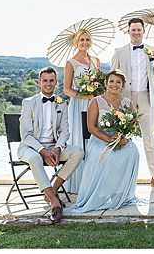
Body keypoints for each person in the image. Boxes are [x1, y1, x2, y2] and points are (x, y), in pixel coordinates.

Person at [18, 67, 83, 223]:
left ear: (56, 83)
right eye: (45, 80)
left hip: (53, 146)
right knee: (35, 159)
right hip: (30, 147)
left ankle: (51, 191)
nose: (48, 84)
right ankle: (55, 202)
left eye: (51, 81)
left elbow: (65, 131)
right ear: (39, 83)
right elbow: (26, 135)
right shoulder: (28, 103)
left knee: (78, 152)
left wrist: (57, 148)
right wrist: (43, 151)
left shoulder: (62, 103)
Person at [70, 70, 141, 212]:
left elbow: (133, 125)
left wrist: (124, 138)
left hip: (120, 139)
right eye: (111, 81)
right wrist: (108, 139)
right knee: (106, 154)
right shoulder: (95, 102)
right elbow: (91, 128)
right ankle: (101, 194)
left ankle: (120, 193)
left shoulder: (127, 103)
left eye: (118, 82)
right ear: (106, 83)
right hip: (99, 139)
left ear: (123, 85)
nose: (114, 85)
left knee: (133, 151)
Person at [111, 18, 154, 189]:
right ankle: (119, 178)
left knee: (149, 138)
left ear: (143, 31)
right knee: (121, 137)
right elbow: (113, 78)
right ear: (128, 31)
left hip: (146, 97)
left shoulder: (152, 51)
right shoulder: (119, 52)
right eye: (133, 30)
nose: (136, 32)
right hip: (125, 99)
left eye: (139, 30)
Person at [62, 29, 100, 193]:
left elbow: (99, 84)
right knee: (79, 141)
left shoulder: (96, 61)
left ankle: (93, 181)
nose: (85, 42)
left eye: (87, 39)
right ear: (76, 42)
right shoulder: (71, 63)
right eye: (81, 40)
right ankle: (78, 184)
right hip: (78, 106)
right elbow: (66, 89)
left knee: (94, 141)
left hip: (93, 104)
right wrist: (83, 95)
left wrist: (96, 93)